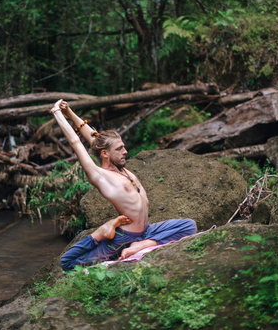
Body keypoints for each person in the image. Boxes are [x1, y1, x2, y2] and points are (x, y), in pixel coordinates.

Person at [50, 99, 197, 271]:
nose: (125, 152)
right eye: (119, 149)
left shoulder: (120, 169)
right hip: (123, 238)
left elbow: (95, 139)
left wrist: (69, 112)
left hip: (146, 231)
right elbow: (76, 142)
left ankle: (143, 244)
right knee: (68, 263)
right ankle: (103, 232)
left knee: (189, 225)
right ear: (105, 154)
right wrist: (57, 113)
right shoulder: (101, 176)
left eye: (123, 147)